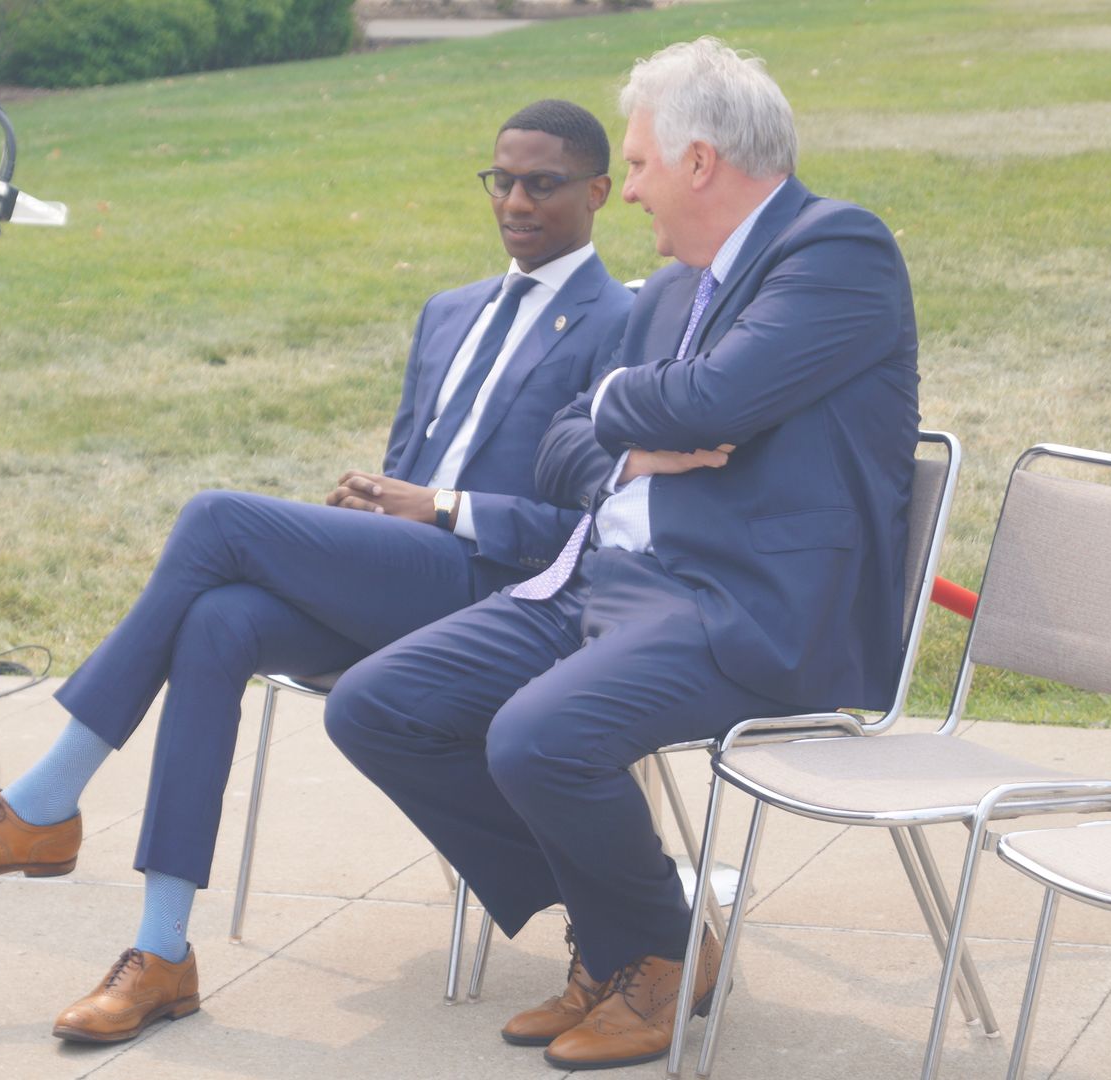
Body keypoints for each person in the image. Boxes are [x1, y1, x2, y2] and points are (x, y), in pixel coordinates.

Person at [0, 99, 634, 1044]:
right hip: (406, 580)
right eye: (501, 180)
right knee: (218, 619)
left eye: (542, 184)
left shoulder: (622, 324)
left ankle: (43, 802)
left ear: (597, 192)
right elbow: (409, 466)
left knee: (216, 518)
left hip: (503, 595)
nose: (515, 200)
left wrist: (439, 509)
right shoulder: (449, 312)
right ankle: (161, 954)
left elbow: (590, 523)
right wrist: (373, 505)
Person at [323, 38, 920, 1071]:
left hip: (745, 606)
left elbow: (713, 401)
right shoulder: (664, 294)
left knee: (535, 739)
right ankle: (627, 934)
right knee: (377, 707)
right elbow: (563, 450)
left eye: (638, 165)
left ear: (699, 163)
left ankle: (652, 949)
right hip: (602, 583)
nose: (628, 190)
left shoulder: (837, 252)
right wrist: (634, 439)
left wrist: (617, 410)